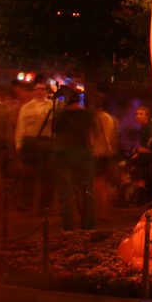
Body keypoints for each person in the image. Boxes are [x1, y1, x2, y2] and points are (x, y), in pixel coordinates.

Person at [52, 89, 96, 230]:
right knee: (87, 191)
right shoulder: (87, 115)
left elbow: (55, 132)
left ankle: (68, 224)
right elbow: (91, 135)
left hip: (64, 154)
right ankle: (88, 222)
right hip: (83, 153)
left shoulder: (60, 115)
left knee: (66, 191)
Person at [13, 81, 56, 211]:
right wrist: (18, 144)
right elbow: (21, 127)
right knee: (27, 175)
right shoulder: (26, 108)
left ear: (47, 91)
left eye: (42, 89)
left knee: (47, 177)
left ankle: (44, 206)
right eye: (37, 89)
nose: (39, 91)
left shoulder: (53, 106)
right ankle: (27, 203)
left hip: (47, 143)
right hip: (30, 142)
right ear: (33, 91)